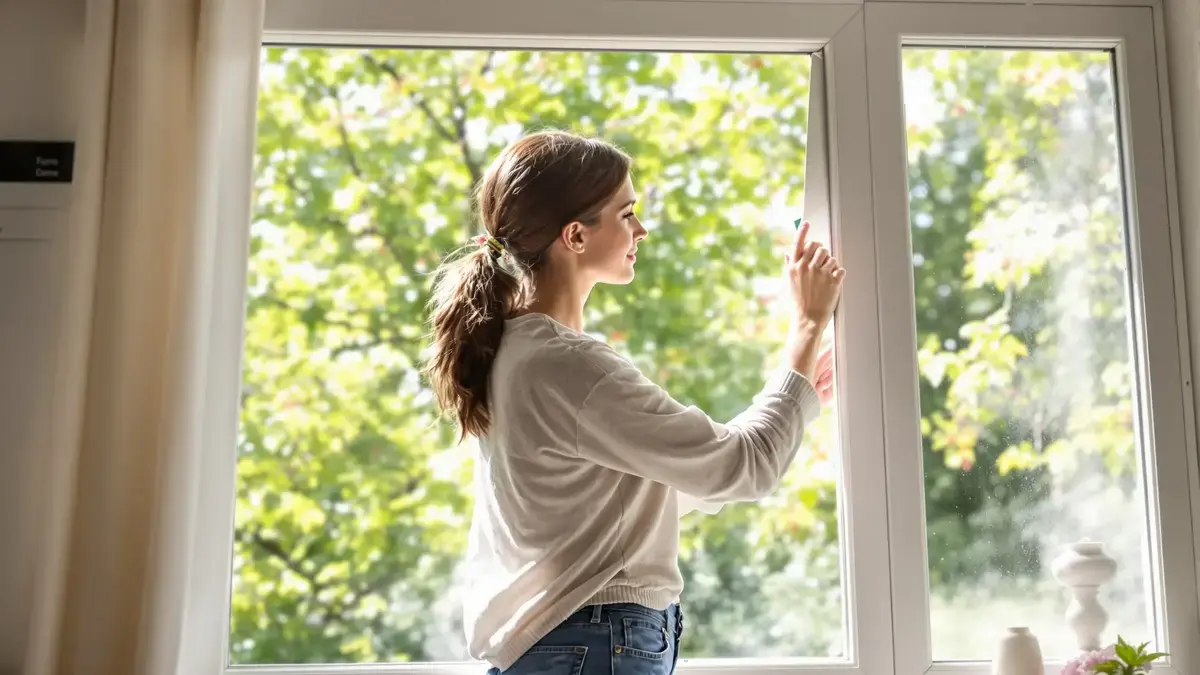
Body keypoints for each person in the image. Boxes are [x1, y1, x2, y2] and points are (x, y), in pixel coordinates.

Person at [424, 130, 845, 675]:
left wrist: (799, 394)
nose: (641, 230)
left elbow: (631, 501)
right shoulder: (569, 367)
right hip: (592, 641)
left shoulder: (515, 353)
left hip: (564, 646)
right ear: (576, 236)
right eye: (626, 215)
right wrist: (808, 325)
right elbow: (745, 467)